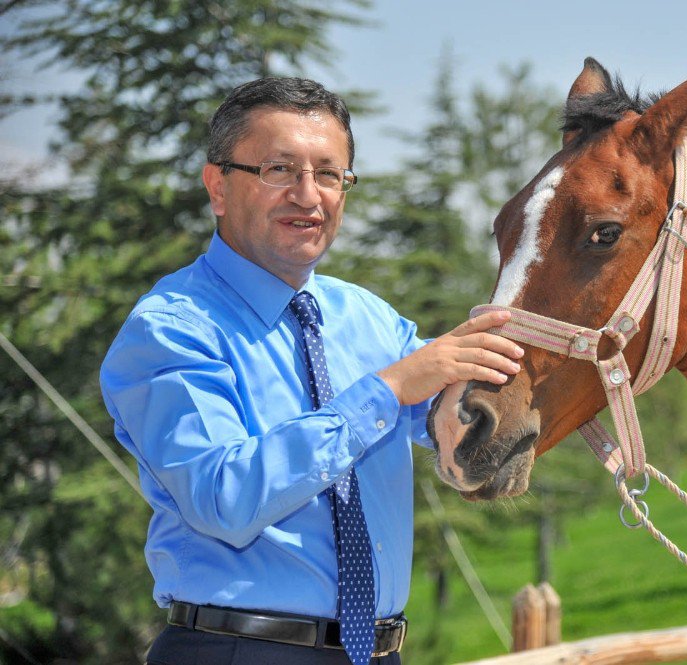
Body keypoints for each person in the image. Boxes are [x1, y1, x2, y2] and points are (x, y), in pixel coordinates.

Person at [99, 77, 523, 665]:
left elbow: (457, 417)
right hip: (236, 651)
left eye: (329, 174)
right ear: (217, 186)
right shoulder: (172, 329)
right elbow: (223, 497)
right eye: (279, 170)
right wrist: (387, 390)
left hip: (378, 652)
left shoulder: (368, 317)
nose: (308, 195)